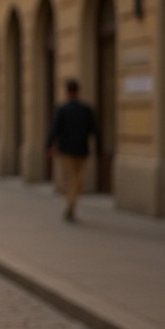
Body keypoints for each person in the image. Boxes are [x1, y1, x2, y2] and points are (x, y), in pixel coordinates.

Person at [46, 78, 99, 221]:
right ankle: (72, 203)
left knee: (69, 179)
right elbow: (95, 130)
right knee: (77, 178)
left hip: (66, 151)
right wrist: (98, 149)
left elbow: (54, 129)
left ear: (67, 91)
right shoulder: (86, 109)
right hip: (82, 150)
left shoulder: (62, 109)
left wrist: (49, 146)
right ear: (78, 91)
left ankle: (70, 205)